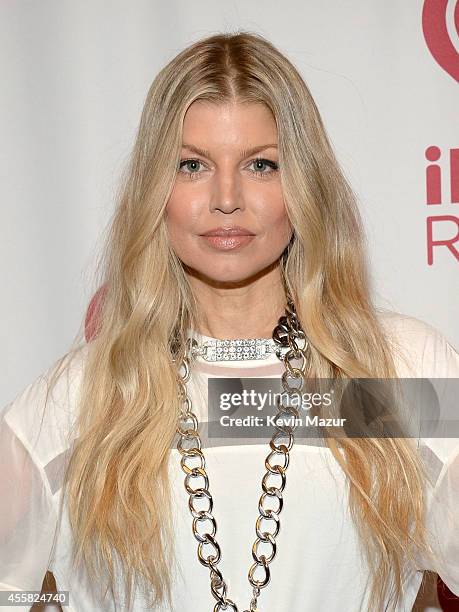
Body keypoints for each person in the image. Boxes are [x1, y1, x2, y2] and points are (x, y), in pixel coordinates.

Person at [0, 31, 458, 612]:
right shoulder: (82, 398)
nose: (226, 197)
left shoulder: (397, 372)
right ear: (153, 190)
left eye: (261, 165)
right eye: (192, 165)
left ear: (304, 186)